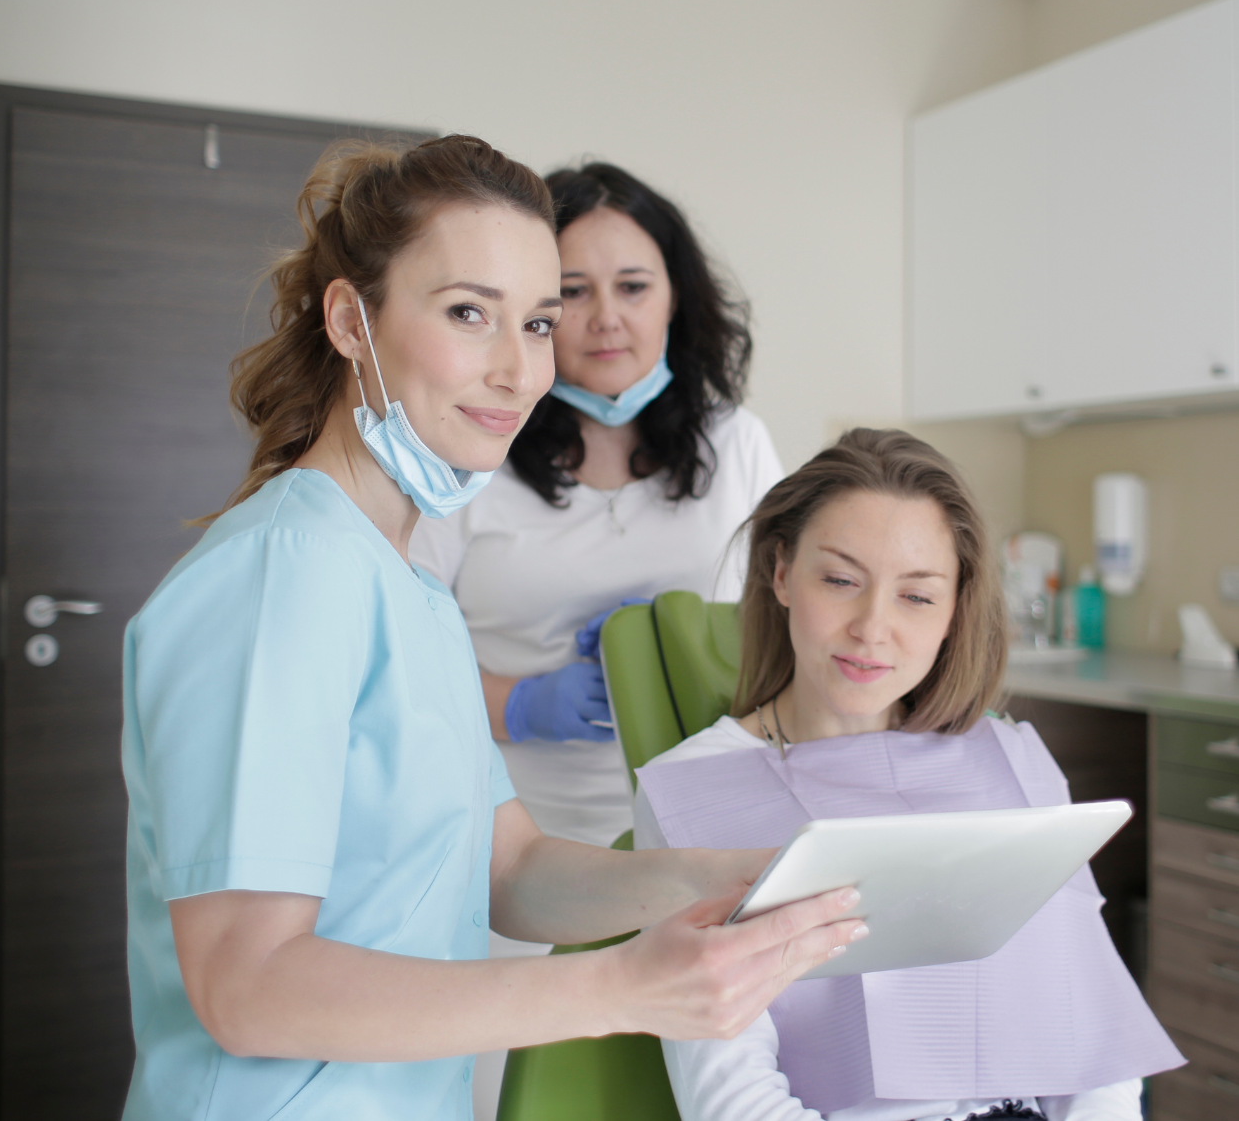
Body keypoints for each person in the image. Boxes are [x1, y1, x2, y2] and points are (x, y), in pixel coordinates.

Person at [119, 136, 864, 1121]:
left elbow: (509, 869)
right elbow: (246, 987)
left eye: (537, 322)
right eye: (469, 313)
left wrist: (748, 879)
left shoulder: (406, 586)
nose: (519, 370)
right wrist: (619, 988)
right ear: (350, 321)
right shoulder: (281, 576)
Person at [634, 428, 1183, 1121]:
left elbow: (1093, 1045)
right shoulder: (692, 790)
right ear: (781, 573)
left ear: (955, 611)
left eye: (917, 596)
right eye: (840, 580)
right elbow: (732, 1098)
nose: (872, 628)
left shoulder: (1009, 759)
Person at [411, 162, 784, 850]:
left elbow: (792, 631)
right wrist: (518, 704)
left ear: (675, 297)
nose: (606, 318)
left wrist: (694, 639)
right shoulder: (469, 452)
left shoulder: (738, 444)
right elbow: (398, 661)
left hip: (705, 832)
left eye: (633, 287)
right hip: (509, 839)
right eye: (573, 291)